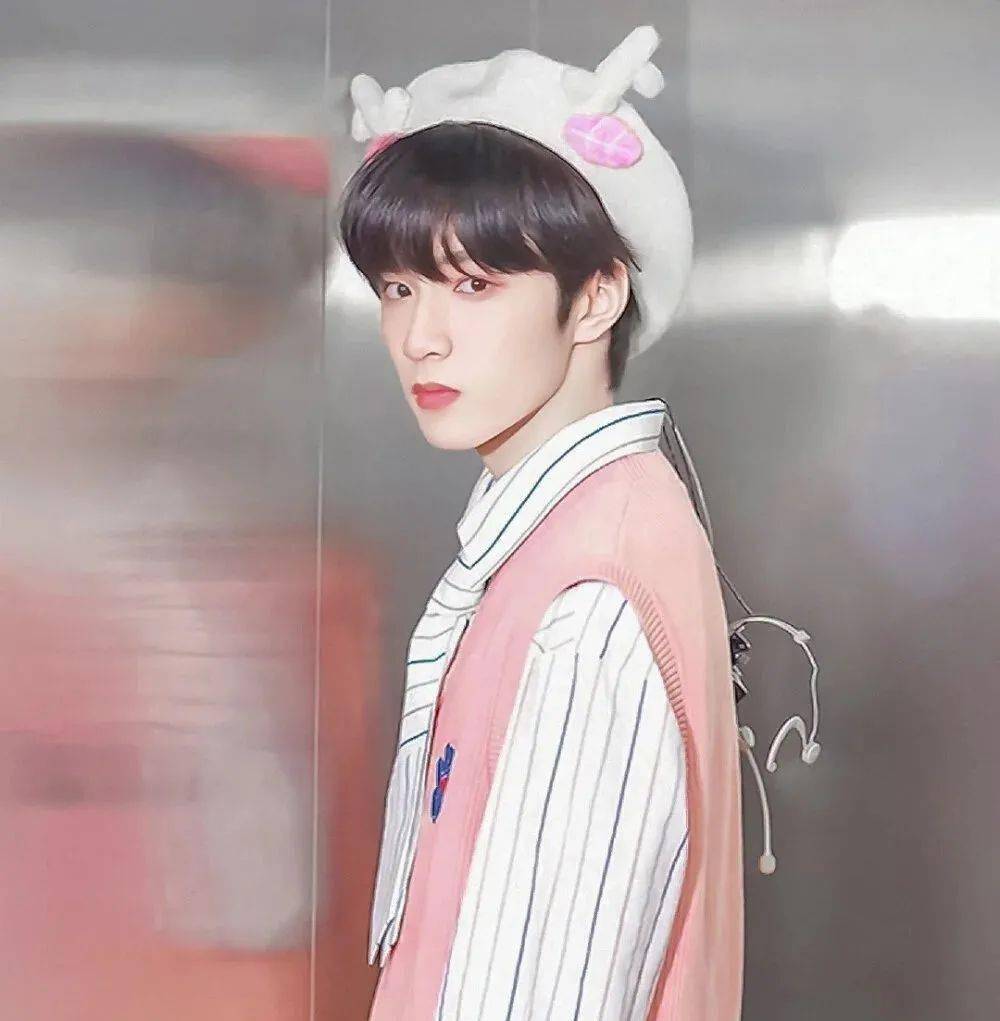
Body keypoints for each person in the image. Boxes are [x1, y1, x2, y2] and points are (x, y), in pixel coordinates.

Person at [337, 25, 744, 1021]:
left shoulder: (585, 599)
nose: (419, 336)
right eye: (398, 287)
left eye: (474, 285)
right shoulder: (578, 532)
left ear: (596, 296)